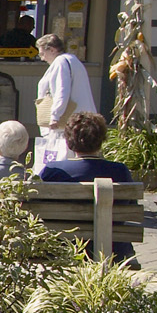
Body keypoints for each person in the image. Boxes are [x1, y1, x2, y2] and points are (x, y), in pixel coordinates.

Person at [38, 111, 137, 261]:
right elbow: (131, 207)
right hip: (112, 248)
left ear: (69, 141)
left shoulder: (52, 171)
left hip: (62, 247)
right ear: (102, 139)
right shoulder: (120, 171)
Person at [33, 32, 95, 171]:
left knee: (63, 154)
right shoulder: (72, 60)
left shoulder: (61, 62)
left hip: (66, 120)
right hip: (79, 118)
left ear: (52, 49)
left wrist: (55, 116)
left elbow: (61, 91)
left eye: (42, 53)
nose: (42, 58)